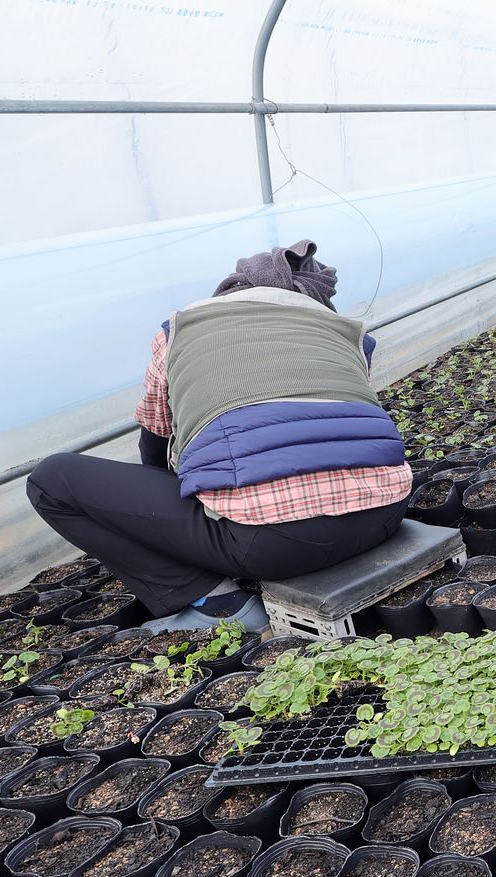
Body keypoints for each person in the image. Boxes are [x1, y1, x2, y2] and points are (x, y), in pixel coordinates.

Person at [26, 241, 410, 633]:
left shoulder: (183, 331)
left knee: (51, 480)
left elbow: (155, 437)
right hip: (386, 516)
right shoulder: (342, 333)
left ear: (232, 289)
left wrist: (169, 517)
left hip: (275, 547)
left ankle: (216, 603)